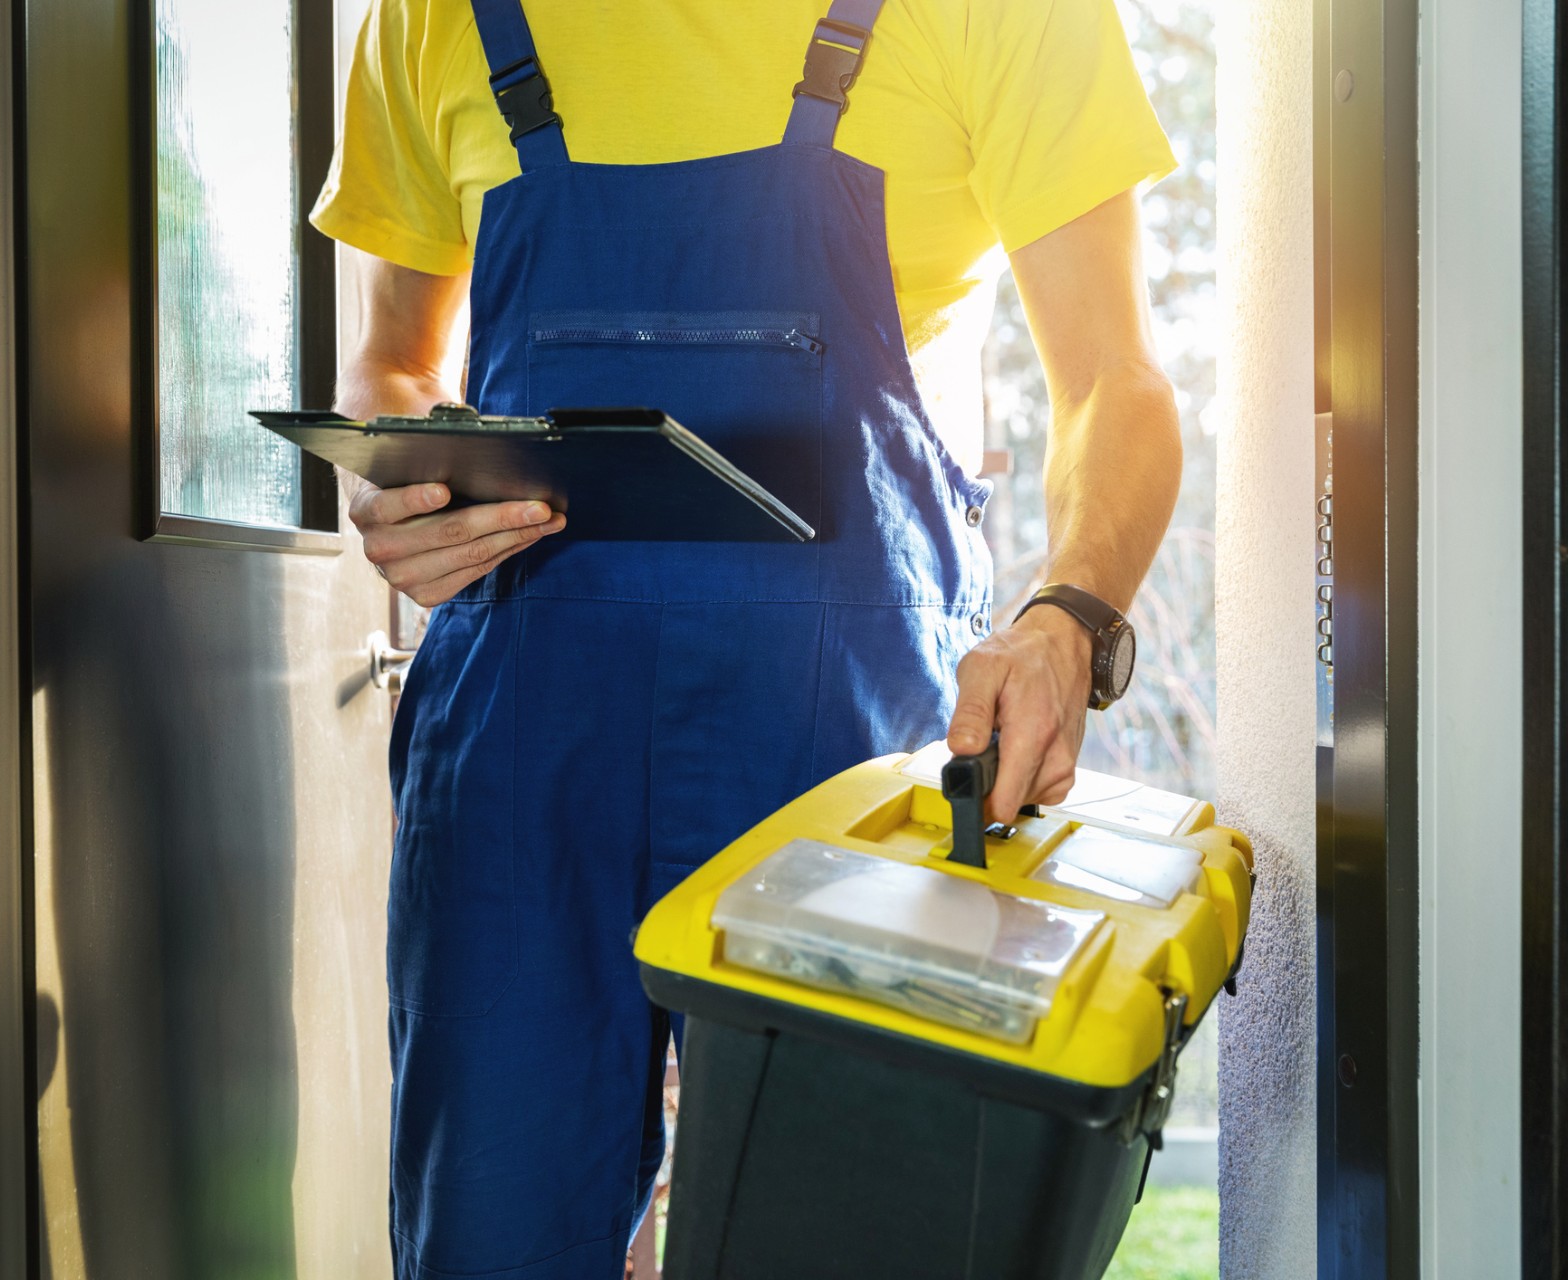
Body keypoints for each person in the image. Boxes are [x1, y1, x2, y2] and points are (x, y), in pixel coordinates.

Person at [311, 0, 1183, 1273]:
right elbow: (392, 360)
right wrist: (397, 477)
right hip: (517, 772)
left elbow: (1118, 381)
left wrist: (1069, 612)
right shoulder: (433, 17)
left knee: (848, 1239)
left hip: (850, 772)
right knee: (489, 1240)